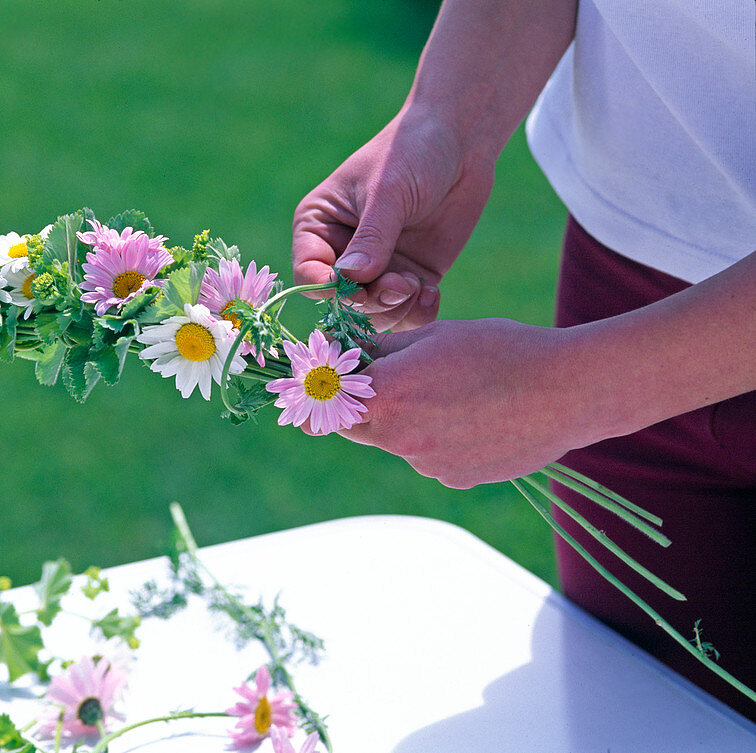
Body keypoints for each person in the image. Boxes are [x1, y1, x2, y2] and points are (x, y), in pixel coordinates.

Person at [292, 0, 756, 720]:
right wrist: (448, 119)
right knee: (639, 718)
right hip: (627, 267)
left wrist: (578, 389)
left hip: (615, 359)